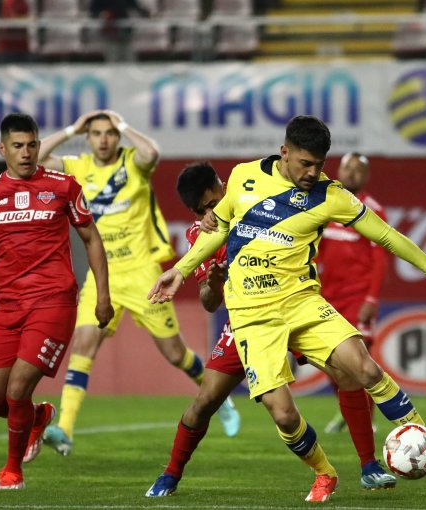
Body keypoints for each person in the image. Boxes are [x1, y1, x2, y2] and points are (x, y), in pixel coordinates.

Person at [149, 115, 426, 502]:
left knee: (364, 368)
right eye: (305, 163)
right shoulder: (243, 177)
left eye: (320, 164)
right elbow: (220, 229)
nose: (313, 172)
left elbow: (387, 236)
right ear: (284, 152)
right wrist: (179, 270)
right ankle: (324, 472)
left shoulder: (331, 195)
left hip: (302, 303)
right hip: (253, 317)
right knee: (285, 416)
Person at [146, 162, 397, 498]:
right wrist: (214, 282)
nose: (211, 211)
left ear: (223, 186)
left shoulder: (258, 198)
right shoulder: (200, 235)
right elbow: (208, 302)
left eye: (213, 201)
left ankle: (369, 466)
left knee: (349, 372)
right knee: (210, 401)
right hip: (248, 321)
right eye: (203, 209)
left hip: (291, 305)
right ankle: (171, 474)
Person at [36, 110, 239, 456]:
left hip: (143, 269)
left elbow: (152, 154)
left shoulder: (133, 162)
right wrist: (72, 127)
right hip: (104, 273)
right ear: (88, 137)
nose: (103, 139)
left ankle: (219, 400)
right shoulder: (79, 166)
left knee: (174, 353)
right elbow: (37, 159)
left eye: (109, 133)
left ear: (118, 137)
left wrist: (124, 124)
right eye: (96, 133)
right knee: (84, 343)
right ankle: (65, 429)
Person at [0, 113, 113, 490]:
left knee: (16, 389)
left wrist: (102, 295)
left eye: (32, 145)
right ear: (2, 149)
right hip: (8, 307)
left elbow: (91, 239)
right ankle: (39, 417)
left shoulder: (64, 186)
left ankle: (12, 472)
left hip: (53, 301)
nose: (26, 153)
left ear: (40, 145)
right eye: (18, 146)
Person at [314, 152, 389, 436]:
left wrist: (371, 298)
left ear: (366, 177)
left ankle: (367, 421)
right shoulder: (327, 206)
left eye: (359, 170)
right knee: (330, 360)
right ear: (339, 171)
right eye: (348, 168)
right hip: (327, 297)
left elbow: (381, 259)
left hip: (358, 297)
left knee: (360, 361)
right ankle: (348, 409)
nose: (352, 174)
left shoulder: (372, 210)